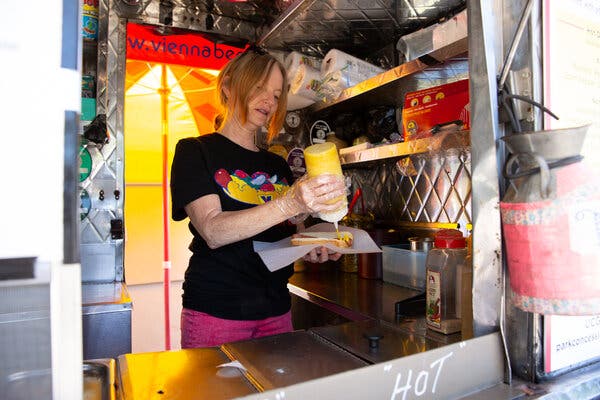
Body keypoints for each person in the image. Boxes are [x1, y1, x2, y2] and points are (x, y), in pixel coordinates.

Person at [170, 47, 347, 349]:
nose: (269, 101)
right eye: (259, 88)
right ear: (227, 86)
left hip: (276, 310)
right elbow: (213, 230)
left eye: (277, 95)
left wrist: (311, 247)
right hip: (217, 312)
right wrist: (291, 202)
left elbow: (287, 235)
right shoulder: (195, 151)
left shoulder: (276, 165)